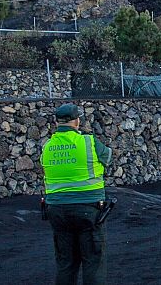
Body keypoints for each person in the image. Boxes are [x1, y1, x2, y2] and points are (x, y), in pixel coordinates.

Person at [41, 103, 113, 285]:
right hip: (88, 210)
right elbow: (107, 158)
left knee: (66, 264)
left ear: (56, 123)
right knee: (93, 263)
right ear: (77, 121)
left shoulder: (47, 146)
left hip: (57, 211)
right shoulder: (89, 142)